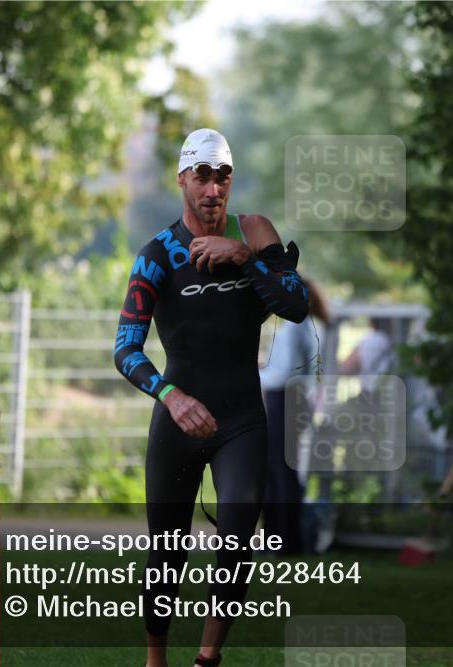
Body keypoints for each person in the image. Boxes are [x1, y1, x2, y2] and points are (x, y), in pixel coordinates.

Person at [113, 128, 309, 667]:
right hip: (178, 420)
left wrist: (244, 257)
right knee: (166, 554)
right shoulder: (157, 254)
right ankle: (155, 659)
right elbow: (125, 349)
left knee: (239, 534)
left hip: (241, 417)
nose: (213, 189)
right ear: (182, 179)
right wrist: (171, 397)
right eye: (202, 176)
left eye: (223, 177)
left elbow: (296, 304)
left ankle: (207, 659)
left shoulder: (255, 231)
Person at [259, 280, 330, 556]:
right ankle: (283, 540)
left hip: (285, 398)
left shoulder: (295, 325)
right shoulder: (310, 324)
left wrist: (252, 374)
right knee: (282, 470)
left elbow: (283, 372)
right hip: (297, 399)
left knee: (279, 471)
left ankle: (282, 541)